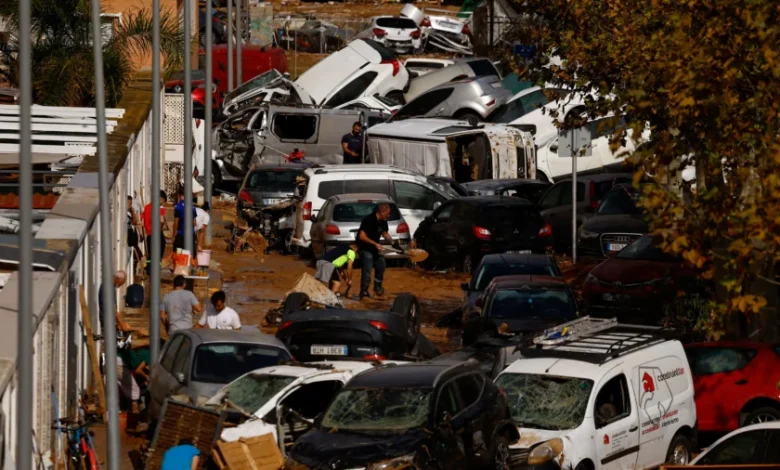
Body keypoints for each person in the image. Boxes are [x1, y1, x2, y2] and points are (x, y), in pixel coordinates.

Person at [356, 204, 398, 300]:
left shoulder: (383, 222)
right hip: (365, 248)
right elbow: (362, 236)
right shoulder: (368, 220)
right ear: (382, 212)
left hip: (374, 249)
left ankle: (377, 288)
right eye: (388, 213)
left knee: (381, 264)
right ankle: (364, 291)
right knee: (367, 270)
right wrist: (375, 244)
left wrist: (392, 242)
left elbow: (384, 233)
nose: (388, 216)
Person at [143, 190, 170, 272]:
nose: (163, 204)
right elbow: (161, 221)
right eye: (163, 201)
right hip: (156, 234)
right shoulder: (159, 208)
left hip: (149, 234)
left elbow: (143, 220)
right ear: (160, 199)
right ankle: (156, 269)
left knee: (150, 255)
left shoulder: (147, 207)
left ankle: (149, 269)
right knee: (158, 254)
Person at [172, 188, 198, 254]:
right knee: (188, 255)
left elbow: (176, 223)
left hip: (181, 236)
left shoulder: (178, 207)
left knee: (178, 255)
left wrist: (174, 236)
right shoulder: (193, 207)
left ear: (179, 195)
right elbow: (194, 223)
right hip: (190, 235)